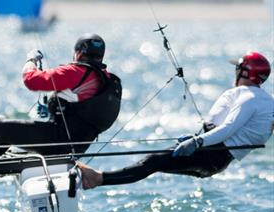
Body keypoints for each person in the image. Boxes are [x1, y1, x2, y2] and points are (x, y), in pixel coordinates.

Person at [78, 52, 273, 189]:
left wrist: (197, 141)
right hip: (213, 156)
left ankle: (97, 179)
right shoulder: (261, 99)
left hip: (212, 155)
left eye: (238, 68)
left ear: (245, 72)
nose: (235, 72)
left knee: (153, 161)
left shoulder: (250, 98)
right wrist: (199, 138)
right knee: (155, 162)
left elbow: (229, 128)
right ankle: (97, 178)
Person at [0, 33, 121, 161]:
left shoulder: (75, 71)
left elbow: (32, 81)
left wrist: (31, 60)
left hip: (56, 141)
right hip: (76, 147)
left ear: (78, 52)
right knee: (10, 131)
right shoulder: (108, 80)